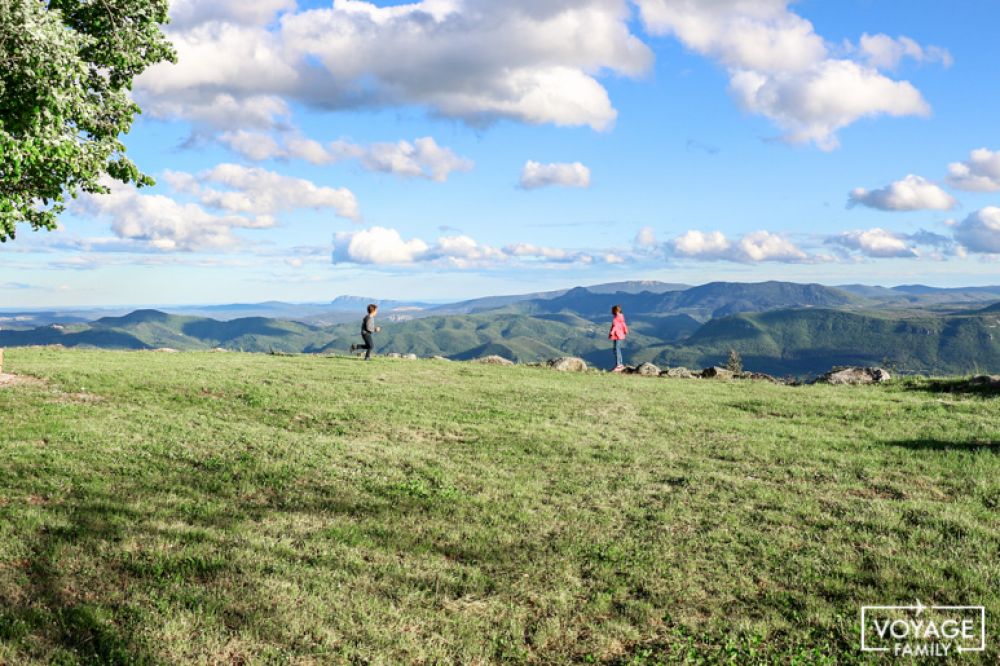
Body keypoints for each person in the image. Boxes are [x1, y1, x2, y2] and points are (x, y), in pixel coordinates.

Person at [608, 304, 628, 372]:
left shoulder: (616, 317)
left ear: (615, 310)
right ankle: (620, 364)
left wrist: (611, 333)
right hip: (621, 335)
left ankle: (618, 365)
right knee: (618, 349)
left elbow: (615, 326)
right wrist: (625, 331)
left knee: (616, 350)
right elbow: (623, 324)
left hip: (617, 335)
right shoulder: (621, 316)